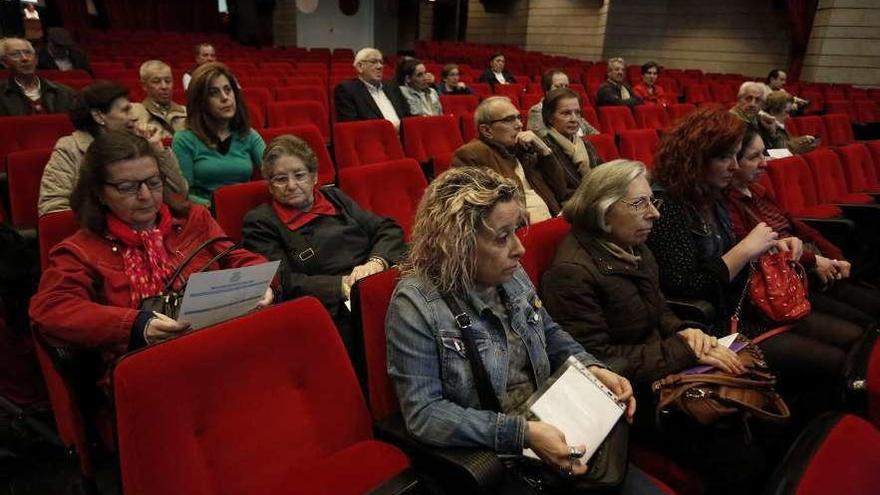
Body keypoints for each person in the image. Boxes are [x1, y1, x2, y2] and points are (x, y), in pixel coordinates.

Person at [386, 166, 664, 494]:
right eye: (502, 237)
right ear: (456, 244)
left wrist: (590, 366)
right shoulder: (416, 305)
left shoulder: (511, 273)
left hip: (553, 419)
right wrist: (522, 434)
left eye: (516, 231)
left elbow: (548, 332)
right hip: (498, 451)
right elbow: (424, 414)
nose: (519, 249)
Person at [540, 160, 783, 494]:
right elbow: (597, 363)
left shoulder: (631, 245)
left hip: (666, 366)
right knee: (738, 452)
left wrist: (685, 331)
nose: (654, 213)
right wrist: (684, 350)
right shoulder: (571, 273)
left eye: (651, 200)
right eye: (640, 203)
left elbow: (660, 309)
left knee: (758, 406)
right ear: (603, 210)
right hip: (631, 396)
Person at [646, 107, 863, 412]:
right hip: (716, 326)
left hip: (748, 304)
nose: (734, 167)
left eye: (736, 157)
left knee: (856, 339)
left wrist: (770, 248)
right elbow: (685, 286)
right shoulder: (668, 207)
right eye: (725, 158)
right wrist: (746, 249)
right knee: (837, 361)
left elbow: (737, 260)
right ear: (696, 159)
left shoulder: (711, 195)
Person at [30, 130, 272, 385]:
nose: (145, 195)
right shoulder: (82, 249)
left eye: (154, 182)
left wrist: (261, 283)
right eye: (127, 188)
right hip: (146, 371)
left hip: (217, 346)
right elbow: (50, 307)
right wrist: (135, 325)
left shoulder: (194, 220)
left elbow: (234, 257)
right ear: (99, 193)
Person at [242, 134, 405, 358]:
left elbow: (387, 229)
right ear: (269, 186)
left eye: (299, 175)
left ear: (314, 176)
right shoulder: (261, 221)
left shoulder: (334, 197)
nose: (291, 185)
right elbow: (283, 280)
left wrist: (376, 263)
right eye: (280, 179)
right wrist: (342, 284)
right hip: (332, 303)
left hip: (374, 277)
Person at [725, 127, 880, 327]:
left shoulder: (758, 190)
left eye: (763, 153)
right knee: (864, 324)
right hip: (787, 282)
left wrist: (836, 257)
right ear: (734, 163)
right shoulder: (729, 203)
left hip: (812, 269)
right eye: (754, 157)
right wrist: (815, 261)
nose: (764, 163)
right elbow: (765, 253)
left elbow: (801, 228)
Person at [39, 81, 188, 216]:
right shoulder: (70, 148)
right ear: (98, 116)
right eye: (125, 110)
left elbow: (180, 192)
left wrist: (157, 150)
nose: (135, 117)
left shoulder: (139, 143)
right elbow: (52, 207)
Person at [451, 96, 568, 224]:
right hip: (517, 233)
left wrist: (545, 151)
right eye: (509, 120)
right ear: (486, 130)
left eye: (518, 117)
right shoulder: (471, 154)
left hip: (553, 221)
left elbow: (560, 189)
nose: (519, 125)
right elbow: (476, 213)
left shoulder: (523, 149)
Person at [172, 62, 265, 206]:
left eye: (228, 90)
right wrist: (220, 207)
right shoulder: (184, 140)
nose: (225, 97)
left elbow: (274, 173)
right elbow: (183, 194)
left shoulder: (248, 135)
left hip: (247, 211)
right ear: (200, 102)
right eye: (214, 93)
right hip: (207, 214)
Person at [540, 88, 603, 194]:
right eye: (566, 113)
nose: (574, 119)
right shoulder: (544, 148)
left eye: (577, 113)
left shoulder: (586, 144)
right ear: (550, 118)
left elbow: (603, 176)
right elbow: (561, 192)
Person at [334, 47, 410, 128]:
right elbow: (352, 127)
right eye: (374, 62)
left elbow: (407, 114)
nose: (380, 66)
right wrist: (390, 130)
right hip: (375, 138)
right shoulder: (347, 90)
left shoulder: (392, 86)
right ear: (360, 67)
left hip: (404, 136)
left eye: (381, 62)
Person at [0, 37, 75, 116]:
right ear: (4, 62)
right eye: (15, 54)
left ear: (36, 59)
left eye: (28, 53)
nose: (25, 58)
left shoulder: (65, 93)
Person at [527, 68, 599, 138]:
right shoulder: (537, 111)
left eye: (566, 86)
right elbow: (544, 139)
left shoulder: (573, 109)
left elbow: (596, 135)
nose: (564, 90)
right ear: (546, 90)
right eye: (559, 87)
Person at [131, 60, 187, 140]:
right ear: (144, 85)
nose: (164, 86)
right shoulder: (135, 113)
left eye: (168, 81)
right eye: (156, 82)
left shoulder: (187, 113)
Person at [730, 81, 777, 148]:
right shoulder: (731, 121)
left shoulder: (760, 120)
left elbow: (773, 149)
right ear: (739, 99)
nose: (752, 104)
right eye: (748, 98)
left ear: (762, 104)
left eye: (757, 100)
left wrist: (772, 132)